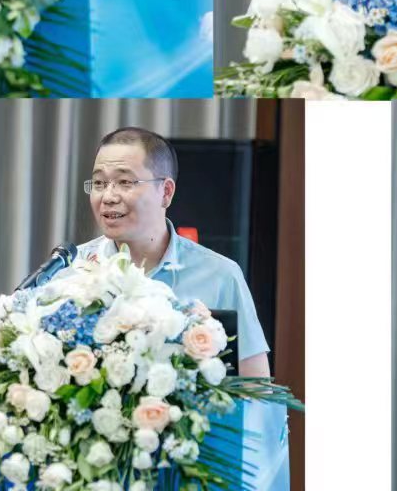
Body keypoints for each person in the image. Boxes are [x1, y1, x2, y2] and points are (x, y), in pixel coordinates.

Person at [74, 127, 271, 378]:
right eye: (99, 183)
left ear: (166, 192)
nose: (108, 196)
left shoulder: (220, 275)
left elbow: (256, 385)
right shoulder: (72, 268)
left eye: (125, 182)